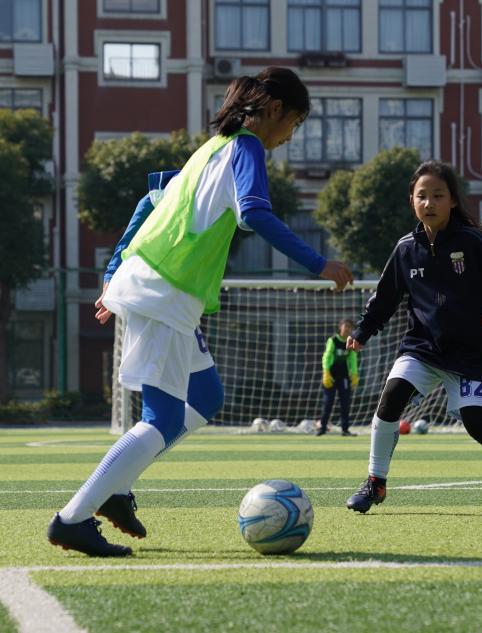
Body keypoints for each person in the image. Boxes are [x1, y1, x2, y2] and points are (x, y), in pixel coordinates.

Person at [46, 68, 353, 557]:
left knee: (206, 395)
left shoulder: (211, 148)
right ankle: (73, 518)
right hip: (164, 291)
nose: (289, 137)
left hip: (163, 290)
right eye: (294, 124)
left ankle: (117, 490)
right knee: (162, 417)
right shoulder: (247, 148)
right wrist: (319, 263)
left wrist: (113, 273)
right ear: (275, 109)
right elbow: (254, 212)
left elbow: (149, 201)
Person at [343, 160, 482, 514]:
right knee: (390, 399)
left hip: (468, 354)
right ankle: (375, 482)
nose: (429, 203)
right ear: (412, 201)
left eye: (438, 195)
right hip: (421, 348)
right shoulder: (405, 249)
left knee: (477, 423)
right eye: (422, 196)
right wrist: (362, 331)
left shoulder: (472, 242)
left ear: (452, 201)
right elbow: (385, 298)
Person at [319, 318, 359, 437]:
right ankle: (322, 428)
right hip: (331, 376)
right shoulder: (333, 340)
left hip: (344, 377)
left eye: (350, 327)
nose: (347, 329)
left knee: (345, 403)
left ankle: (345, 430)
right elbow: (326, 356)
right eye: (346, 326)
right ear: (340, 327)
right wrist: (326, 372)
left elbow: (352, 359)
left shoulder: (350, 342)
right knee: (327, 402)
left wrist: (354, 374)